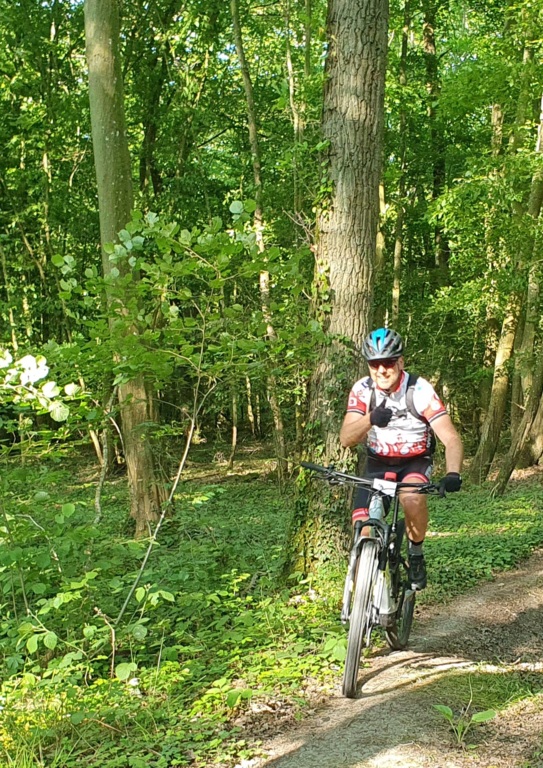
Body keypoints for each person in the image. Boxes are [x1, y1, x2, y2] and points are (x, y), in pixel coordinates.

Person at [339, 327, 463, 590]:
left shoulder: (419, 389)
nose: (381, 370)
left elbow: (451, 438)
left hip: (414, 462)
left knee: (411, 498)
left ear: (400, 362)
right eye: (375, 364)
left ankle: (416, 555)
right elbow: (346, 438)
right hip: (378, 463)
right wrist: (370, 419)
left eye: (388, 363)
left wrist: (453, 473)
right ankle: (364, 598)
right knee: (363, 526)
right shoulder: (362, 390)